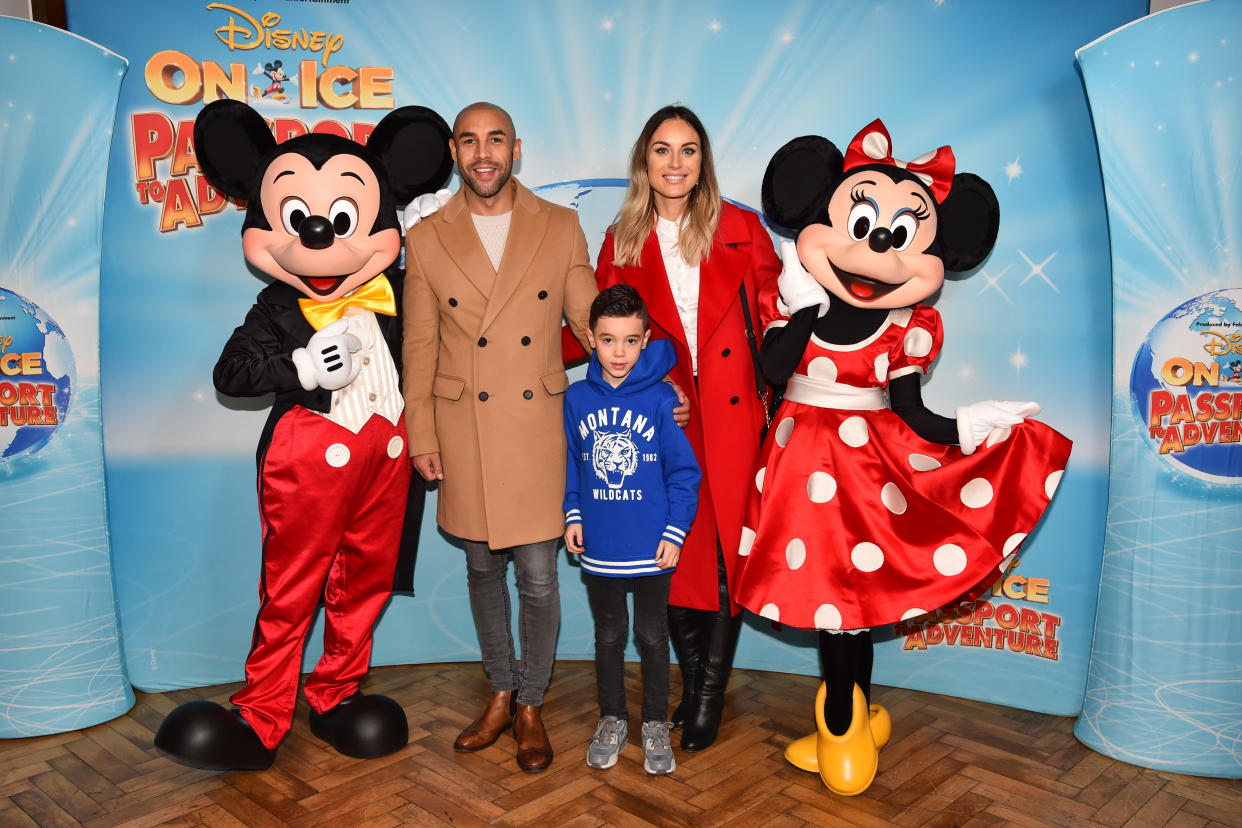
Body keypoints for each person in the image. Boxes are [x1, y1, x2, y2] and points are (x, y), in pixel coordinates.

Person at [401, 102, 599, 773]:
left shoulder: (561, 226)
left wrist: (649, 388)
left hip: (535, 425)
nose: (483, 154)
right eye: (469, 141)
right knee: (483, 568)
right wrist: (420, 430)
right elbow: (419, 345)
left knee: (540, 578)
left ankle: (532, 704)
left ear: (517, 148)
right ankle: (500, 689)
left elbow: (592, 325)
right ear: (455, 152)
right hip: (465, 428)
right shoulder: (426, 237)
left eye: (496, 140)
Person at [591, 105, 781, 751]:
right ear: (644, 161)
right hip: (663, 421)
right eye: (662, 150)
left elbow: (773, 324)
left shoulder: (743, 229)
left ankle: (705, 696)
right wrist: (652, 379)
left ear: (704, 159)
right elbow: (608, 335)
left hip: (733, 418)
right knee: (672, 556)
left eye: (689, 149)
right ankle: (696, 680)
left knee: (726, 559)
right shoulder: (621, 239)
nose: (676, 163)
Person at [562, 285, 701, 775]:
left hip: (652, 549)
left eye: (629, 340)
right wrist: (573, 514)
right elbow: (573, 465)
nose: (618, 352)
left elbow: (684, 473)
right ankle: (612, 719)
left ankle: (656, 724)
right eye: (607, 340)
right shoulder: (576, 399)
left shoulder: (663, 399)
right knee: (608, 637)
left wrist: (674, 531)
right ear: (590, 339)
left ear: (644, 341)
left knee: (651, 636)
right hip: (600, 546)